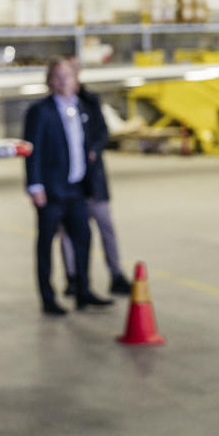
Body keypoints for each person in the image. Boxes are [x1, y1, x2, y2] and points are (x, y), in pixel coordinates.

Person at [23, 58, 113, 316]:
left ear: (76, 81)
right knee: (46, 247)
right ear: (50, 81)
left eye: (69, 76)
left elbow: (95, 137)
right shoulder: (40, 111)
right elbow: (33, 152)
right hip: (51, 191)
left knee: (83, 240)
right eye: (58, 76)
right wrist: (34, 186)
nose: (64, 81)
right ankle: (48, 299)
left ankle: (83, 292)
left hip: (76, 189)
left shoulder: (81, 107)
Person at [58, 79, 132, 296]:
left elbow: (102, 132)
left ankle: (116, 275)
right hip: (70, 186)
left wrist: (93, 150)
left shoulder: (90, 102)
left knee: (106, 227)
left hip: (94, 182)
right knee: (68, 235)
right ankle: (74, 279)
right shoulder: (55, 107)